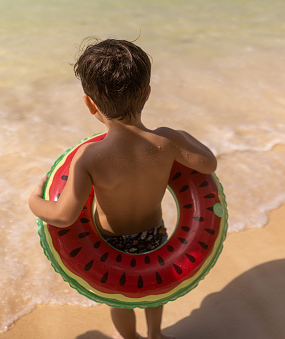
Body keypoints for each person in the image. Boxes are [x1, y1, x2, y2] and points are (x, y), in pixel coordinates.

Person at [29, 38, 217, 339]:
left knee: (121, 297)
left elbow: (63, 216)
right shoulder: (166, 141)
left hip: (109, 245)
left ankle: (130, 338)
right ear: (148, 94)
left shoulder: (90, 158)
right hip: (154, 236)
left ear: (90, 104)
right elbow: (208, 163)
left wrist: (34, 201)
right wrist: (178, 134)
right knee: (156, 293)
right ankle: (155, 335)